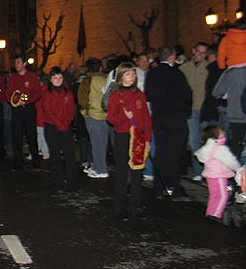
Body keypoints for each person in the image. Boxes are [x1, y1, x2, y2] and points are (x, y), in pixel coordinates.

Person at [144, 45, 192, 199]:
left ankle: (160, 186)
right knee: (174, 153)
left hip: (159, 117)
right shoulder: (176, 73)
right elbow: (186, 95)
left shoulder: (152, 74)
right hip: (175, 117)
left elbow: (148, 95)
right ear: (172, 56)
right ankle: (174, 186)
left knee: (161, 152)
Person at [107, 63, 152, 221]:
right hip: (123, 136)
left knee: (137, 173)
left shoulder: (139, 94)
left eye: (133, 74)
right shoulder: (116, 96)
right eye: (128, 74)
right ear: (121, 77)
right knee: (122, 173)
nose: (131, 77)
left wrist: (147, 139)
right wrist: (123, 117)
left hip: (138, 137)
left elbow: (146, 118)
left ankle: (136, 205)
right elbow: (111, 118)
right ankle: (120, 207)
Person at [39, 67, 78, 192]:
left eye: (60, 78)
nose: (58, 80)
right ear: (50, 80)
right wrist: (59, 124)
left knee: (69, 155)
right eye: (55, 78)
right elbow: (48, 111)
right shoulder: (47, 93)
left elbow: (72, 110)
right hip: (52, 127)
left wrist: (66, 124)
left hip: (65, 126)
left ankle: (72, 182)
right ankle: (58, 182)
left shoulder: (68, 93)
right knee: (55, 155)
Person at [194, 125, 241, 223]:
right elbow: (230, 161)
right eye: (221, 131)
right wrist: (238, 168)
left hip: (210, 175)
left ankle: (210, 212)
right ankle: (216, 214)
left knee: (214, 195)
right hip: (219, 175)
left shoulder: (208, 147)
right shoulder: (220, 148)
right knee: (223, 195)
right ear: (216, 135)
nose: (223, 132)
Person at [6, 55, 42, 170]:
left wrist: (26, 100)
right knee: (16, 135)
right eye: (15, 63)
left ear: (24, 64)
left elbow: (37, 93)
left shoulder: (32, 76)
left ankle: (36, 161)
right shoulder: (13, 78)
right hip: (17, 110)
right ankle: (18, 162)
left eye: (18, 62)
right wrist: (14, 101)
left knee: (31, 135)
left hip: (29, 109)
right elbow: (8, 94)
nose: (16, 65)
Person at [179, 42, 209, 181]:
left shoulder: (208, 67)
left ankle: (209, 170)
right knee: (194, 141)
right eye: (198, 51)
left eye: (203, 53)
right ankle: (198, 171)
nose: (199, 55)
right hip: (191, 109)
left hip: (204, 109)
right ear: (193, 50)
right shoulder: (184, 68)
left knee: (207, 141)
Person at [77, 58, 109, 178]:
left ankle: (101, 169)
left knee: (96, 143)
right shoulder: (105, 79)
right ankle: (98, 166)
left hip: (93, 114)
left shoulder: (87, 80)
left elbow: (82, 99)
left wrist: (85, 113)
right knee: (103, 143)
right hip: (105, 115)